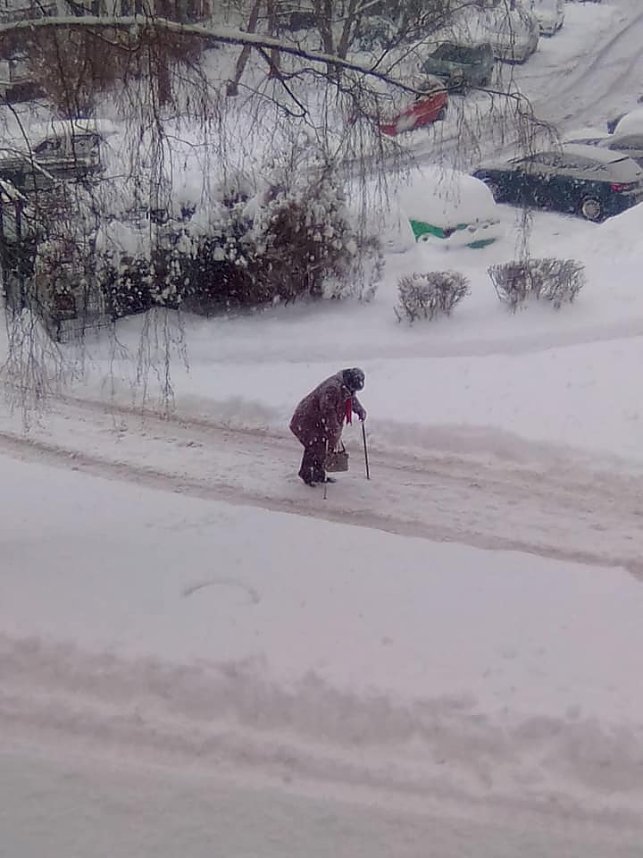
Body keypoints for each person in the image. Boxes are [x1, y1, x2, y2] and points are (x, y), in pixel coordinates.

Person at [290, 368, 367, 486]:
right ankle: (306, 474)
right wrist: (333, 426)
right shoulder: (332, 388)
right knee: (315, 445)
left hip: (317, 421)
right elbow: (328, 410)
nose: (354, 391)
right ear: (349, 381)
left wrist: (359, 410)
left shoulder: (345, 386)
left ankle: (318, 474)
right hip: (306, 420)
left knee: (322, 446)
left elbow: (350, 398)